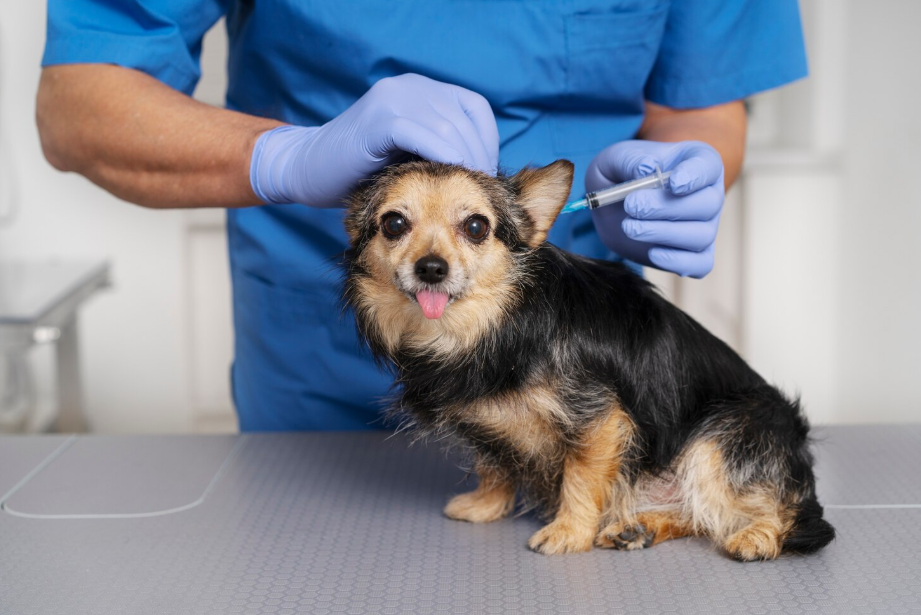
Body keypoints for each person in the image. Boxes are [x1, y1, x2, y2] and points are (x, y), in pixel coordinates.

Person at [37, 1, 807, 431]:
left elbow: (700, 105)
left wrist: (673, 176)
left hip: (572, 373)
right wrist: (293, 157)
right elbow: (78, 106)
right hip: (323, 385)